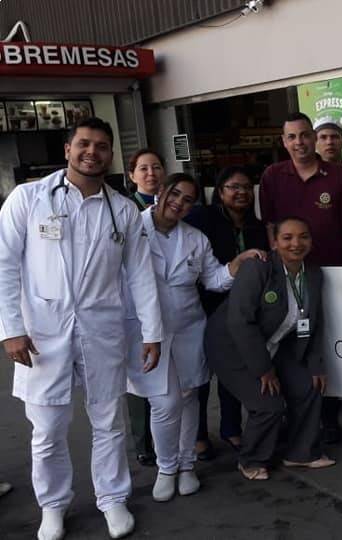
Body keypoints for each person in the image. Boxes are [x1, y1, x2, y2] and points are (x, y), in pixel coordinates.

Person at [0, 117, 163, 539]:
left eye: (102, 146)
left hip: (101, 328)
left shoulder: (122, 210)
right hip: (41, 333)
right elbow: (5, 265)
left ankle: (112, 499)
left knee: (108, 422)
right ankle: (53, 505)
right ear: (68, 149)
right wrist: (10, 329)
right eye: (84, 144)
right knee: (47, 429)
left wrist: (152, 332)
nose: (92, 152)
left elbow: (140, 275)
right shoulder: (29, 198)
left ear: (111, 154)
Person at [124, 173, 264, 502]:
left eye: (187, 200)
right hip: (145, 329)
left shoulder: (195, 238)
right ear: (160, 191)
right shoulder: (132, 228)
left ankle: (187, 466)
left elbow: (213, 279)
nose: (179, 203)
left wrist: (237, 263)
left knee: (189, 397)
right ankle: (166, 467)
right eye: (174, 194)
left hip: (188, 325)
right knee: (164, 402)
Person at [205, 217, 335, 481]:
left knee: (309, 385)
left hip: (276, 342)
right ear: (274, 242)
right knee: (269, 404)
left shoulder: (313, 273)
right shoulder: (258, 268)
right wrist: (264, 370)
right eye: (287, 238)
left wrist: (315, 363)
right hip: (231, 345)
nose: (296, 243)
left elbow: (315, 322)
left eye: (303, 236)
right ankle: (251, 459)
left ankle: (301, 453)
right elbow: (240, 322)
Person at [258, 112, 342, 444]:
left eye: (304, 135)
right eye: (292, 137)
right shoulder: (272, 176)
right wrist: (277, 271)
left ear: (314, 138)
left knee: (324, 346)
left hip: (329, 276)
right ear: (283, 141)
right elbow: (270, 227)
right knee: (290, 347)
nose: (299, 142)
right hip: (287, 277)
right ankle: (295, 418)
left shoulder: (338, 177)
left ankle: (329, 418)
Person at [185, 167, 270, 459]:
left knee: (233, 371)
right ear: (220, 192)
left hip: (242, 310)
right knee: (199, 376)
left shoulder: (257, 226)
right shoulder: (201, 219)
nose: (241, 192)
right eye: (234, 187)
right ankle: (198, 435)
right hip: (203, 305)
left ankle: (231, 429)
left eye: (246, 187)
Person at [125, 148, 165, 467]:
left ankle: (170, 438)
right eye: (143, 168)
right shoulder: (125, 209)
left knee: (170, 381)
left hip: (170, 300)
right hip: (134, 303)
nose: (151, 173)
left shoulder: (173, 205)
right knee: (140, 375)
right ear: (132, 175)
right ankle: (143, 441)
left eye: (156, 167)